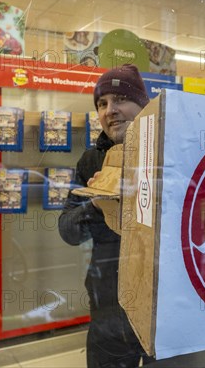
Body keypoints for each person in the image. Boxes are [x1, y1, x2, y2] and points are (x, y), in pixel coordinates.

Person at [59, 64, 152, 367]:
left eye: (121, 99)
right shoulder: (91, 160)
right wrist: (96, 203)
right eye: (102, 103)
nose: (110, 110)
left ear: (144, 105)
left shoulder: (171, 152)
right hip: (108, 311)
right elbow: (68, 231)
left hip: (161, 309)